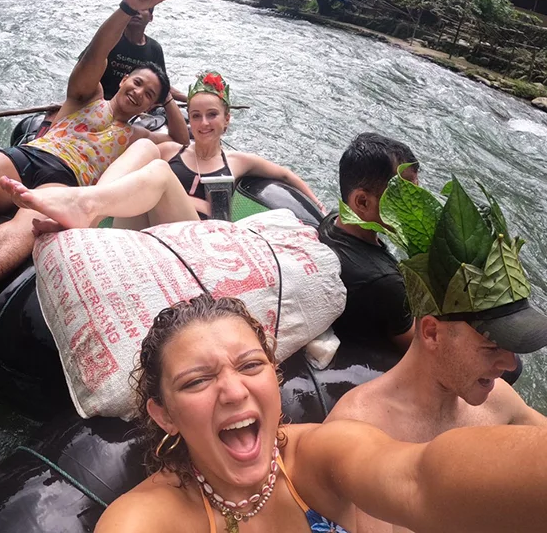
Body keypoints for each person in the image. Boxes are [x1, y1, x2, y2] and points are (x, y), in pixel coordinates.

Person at [94, 293, 547, 533]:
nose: (233, 390)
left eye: (251, 366)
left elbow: (421, 481)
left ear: (275, 377)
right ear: (165, 415)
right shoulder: (145, 519)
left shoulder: (321, 456)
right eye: (196, 381)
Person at [0, 0, 189, 326]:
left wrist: (166, 97)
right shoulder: (86, 96)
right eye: (136, 83)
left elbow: (181, 140)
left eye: (148, 94)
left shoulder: (140, 138)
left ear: (152, 105)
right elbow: (95, 55)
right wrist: (125, 10)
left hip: (63, 184)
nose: (138, 92)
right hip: (31, 155)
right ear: (123, 80)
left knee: (20, 232)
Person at [326, 173, 547, 533]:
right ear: (431, 332)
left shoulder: (500, 403)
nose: (509, 365)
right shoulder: (359, 427)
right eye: (492, 346)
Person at [0, 71, 325, 230]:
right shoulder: (170, 147)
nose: (203, 123)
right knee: (144, 148)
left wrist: (318, 208)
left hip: (196, 237)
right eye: (195, 115)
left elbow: (283, 173)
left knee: (158, 171)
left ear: (227, 120)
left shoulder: (238, 161)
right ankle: (87, 215)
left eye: (212, 115)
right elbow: (164, 144)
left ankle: (83, 207)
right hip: (152, 230)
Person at [318, 133, 418, 353]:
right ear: (362, 201)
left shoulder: (332, 221)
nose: (416, 206)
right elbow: (419, 349)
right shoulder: (385, 281)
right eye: (405, 196)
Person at [94, 5, 187, 103]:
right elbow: (86, 65)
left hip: (135, 106)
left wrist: (189, 99)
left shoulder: (154, 49)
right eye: (133, 8)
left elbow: (162, 86)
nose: (137, 11)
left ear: (151, 18)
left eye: (143, 8)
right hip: (100, 102)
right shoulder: (110, 40)